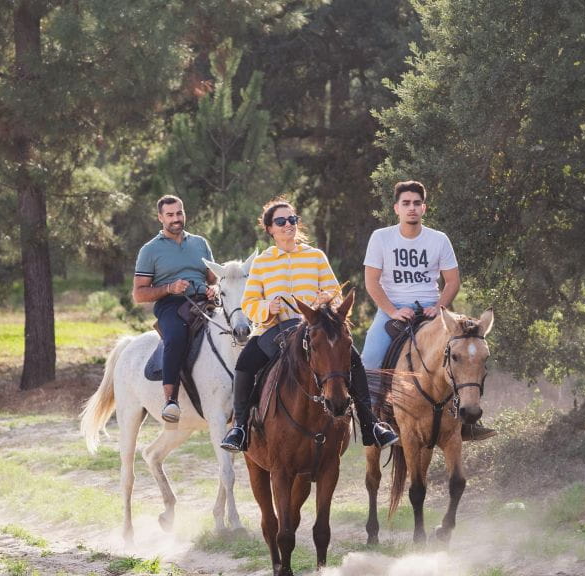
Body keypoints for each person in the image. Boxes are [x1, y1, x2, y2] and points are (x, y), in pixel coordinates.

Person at [220, 199, 399, 452]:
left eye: (292, 219)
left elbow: (334, 293)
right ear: (270, 228)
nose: (288, 225)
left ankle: (371, 424)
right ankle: (239, 427)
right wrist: (265, 308)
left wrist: (324, 300)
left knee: (355, 360)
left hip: (315, 328)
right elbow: (249, 303)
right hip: (275, 329)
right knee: (245, 363)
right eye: (280, 222)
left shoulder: (315, 256)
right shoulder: (262, 262)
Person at [362, 180, 494, 440]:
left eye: (416, 203)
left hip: (434, 311)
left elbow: (453, 281)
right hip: (393, 310)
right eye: (406, 203)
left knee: (469, 350)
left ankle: (468, 421)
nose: (411, 208)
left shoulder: (438, 239)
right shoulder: (381, 237)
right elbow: (371, 282)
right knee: (368, 363)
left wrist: (438, 307)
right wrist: (392, 311)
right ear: (396, 208)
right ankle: (374, 425)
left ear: (424, 208)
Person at [132, 195, 217, 423]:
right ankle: (171, 400)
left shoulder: (200, 243)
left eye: (179, 213)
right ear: (160, 217)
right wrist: (170, 287)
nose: (176, 219)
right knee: (177, 336)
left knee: (234, 329)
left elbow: (214, 278)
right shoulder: (149, 250)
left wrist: (214, 289)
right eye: (170, 215)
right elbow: (139, 293)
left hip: (204, 301)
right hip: (171, 304)